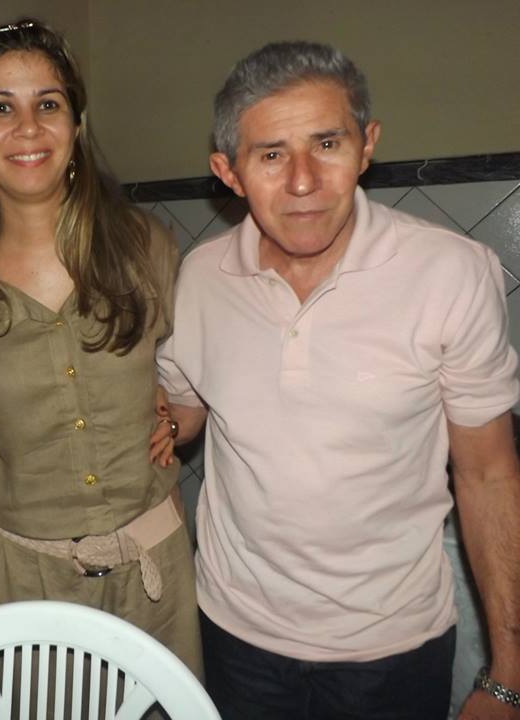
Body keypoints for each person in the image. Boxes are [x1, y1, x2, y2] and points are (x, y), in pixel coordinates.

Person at [154, 41, 520, 719]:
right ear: (229, 172)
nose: (303, 181)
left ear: (367, 144)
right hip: (234, 634)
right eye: (271, 155)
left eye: (327, 144)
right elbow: (183, 410)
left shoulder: (452, 271)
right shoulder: (199, 276)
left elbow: (490, 474)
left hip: (393, 649)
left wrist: (509, 677)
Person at [0, 18, 201, 675]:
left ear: (76, 125)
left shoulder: (146, 246)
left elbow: (196, 380)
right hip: (30, 583)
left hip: (155, 575)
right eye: (1, 108)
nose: (28, 127)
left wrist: (178, 417)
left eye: (48, 104)